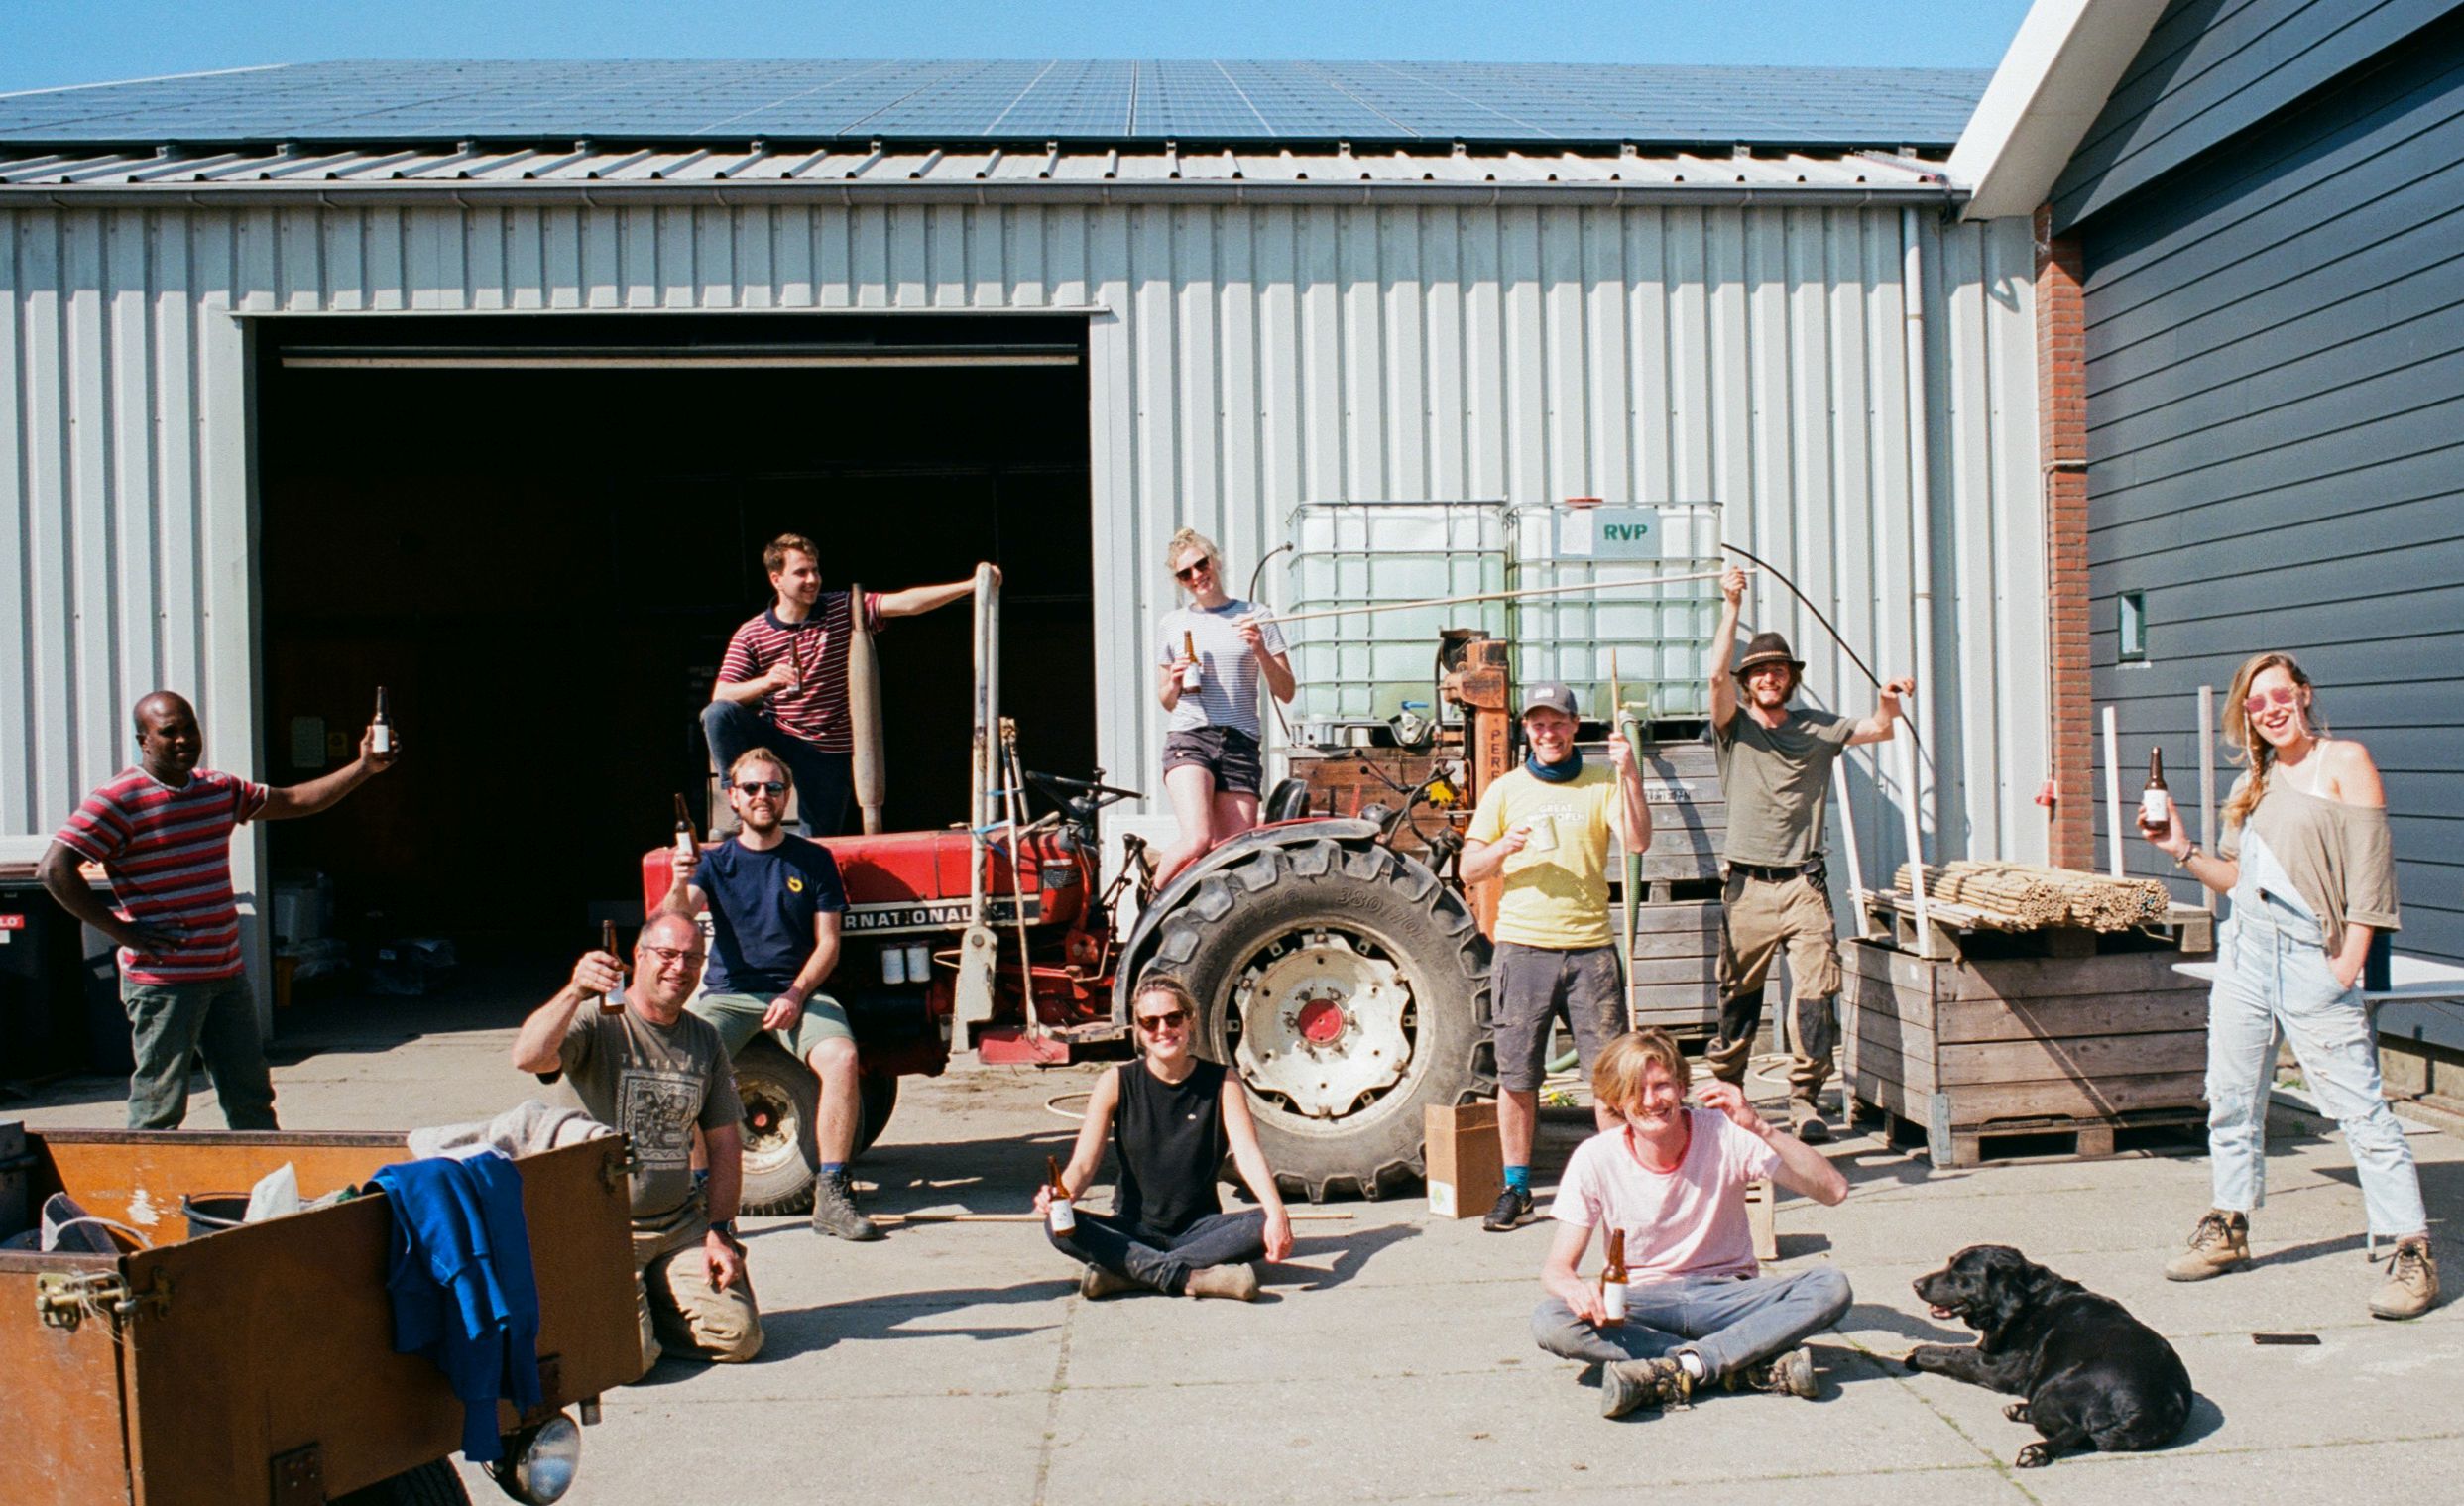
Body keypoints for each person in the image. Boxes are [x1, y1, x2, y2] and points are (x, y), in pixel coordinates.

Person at [2142, 650, 2437, 1320]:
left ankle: (2409, 1249)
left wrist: (2345, 965)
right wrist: (2182, 849)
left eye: (2280, 695)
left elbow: (2370, 875)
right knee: (2230, 1097)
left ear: (2303, 695)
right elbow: (2237, 883)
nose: (2269, 709)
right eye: (2254, 701)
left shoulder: (2344, 761)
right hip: (2244, 952)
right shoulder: (2256, 777)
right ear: (2244, 712)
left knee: (2358, 1109)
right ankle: (2228, 1223)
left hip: (2311, 956)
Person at [38, 689, 399, 1130]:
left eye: (189, 727)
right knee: (159, 1109)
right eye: (168, 732)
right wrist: (123, 932)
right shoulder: (119, 799)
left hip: (225, 975)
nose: (184, 739)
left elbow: (298, 800)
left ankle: (263, 1194)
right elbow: (54, 869)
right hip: (164, 983)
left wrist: (364, 768)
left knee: (251, 1099)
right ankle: (146, 1197)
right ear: (144, 741)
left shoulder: (218, 789)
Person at [1532, 1029, 1850, 1419]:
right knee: (1551, 1320)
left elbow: (1833, 1190)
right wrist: (1574, 1289)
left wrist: (1761, 1128)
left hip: (1727, 1294)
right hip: (1643, 1301)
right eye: (1636, 1089)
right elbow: (1556, 1269)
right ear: (1616, 1098)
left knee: (1831, 1285)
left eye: (1662, 1085)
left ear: (1682, 1085)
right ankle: (1738, 1362)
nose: (1651, 1101)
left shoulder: (1726, 1133)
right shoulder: (1595, 1157)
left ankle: (1671, 1371)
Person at [1704, 566, 1913, 1141]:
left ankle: (1804, 1100)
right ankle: (1731, 1094)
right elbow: (1716, 671)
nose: (1767, 679)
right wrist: (1731, 606)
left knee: (1817, 994)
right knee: (1738, 996)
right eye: (1758, 672)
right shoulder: (1734, 728)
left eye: (1776, 670)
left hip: (1803, 885)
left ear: (1789, 678)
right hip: (1747, 887)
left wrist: (1888, 701)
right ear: (1748, 682)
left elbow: (1879, 729)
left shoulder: (1819, 728)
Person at [510, 911, 763, 1371]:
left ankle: (653, 1297)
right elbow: (528, 1056)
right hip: (601, 1229)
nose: (679, 968)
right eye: (667, 955)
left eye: (692, 958)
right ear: (638, 957)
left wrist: (720, 1231)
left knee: (739, 1339)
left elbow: (724, 1143)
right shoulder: (596, 1019)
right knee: (633, 1361)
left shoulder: (704, 1039)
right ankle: (602, 1309)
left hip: (678, 1224)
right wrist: (573, 991)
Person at [663, 747, 879, 1241]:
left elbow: (828, 946)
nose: (764, 796)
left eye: (774, 788)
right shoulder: (715, 865)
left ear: (787, 796)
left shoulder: (814, 859)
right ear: (732, 798)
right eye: (752, 788)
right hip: (729, 995)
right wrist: (679, 881)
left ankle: (832, 1195)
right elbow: (672, 922)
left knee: (842, 1058)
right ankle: (702, 1196)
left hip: (797, 992)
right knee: (680, 1066)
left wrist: (797, 993)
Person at [1460, 681, 1652, 1232]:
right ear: (1527, 730)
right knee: (1518, 1075)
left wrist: (1632, 775)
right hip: (1522, 948)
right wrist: (1502, 848)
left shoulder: (1602, 781)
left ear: (1574, 727)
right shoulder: (1505, 790)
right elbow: (1469, 870)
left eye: (1557, 722)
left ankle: (1621, 1188)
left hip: (1591, 948)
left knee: (1609, 1079)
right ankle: (1517, 1189)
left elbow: (1638, 842)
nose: (1548, 732)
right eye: (1538, 724)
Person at [702, 532, 988, 837]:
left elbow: (906, 603)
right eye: (801, 572)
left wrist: (971, 586)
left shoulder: (842, 608)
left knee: (820, 842)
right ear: (777, 579)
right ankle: (737, 805)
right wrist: (767, 682)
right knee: (719, 714)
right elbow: (722, 695)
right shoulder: (752, 632)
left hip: (827, 748)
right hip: (780, 736)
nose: (812, 579)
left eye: (815, 571)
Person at [1036, 976, 1295, 1301]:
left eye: (1173, 1018)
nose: (1163, 1029)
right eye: (1150, 1022)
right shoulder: (1115, 1081)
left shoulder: (1222, 1082)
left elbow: (1247, 1152)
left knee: (1262, 1222)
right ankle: (1192, 1278)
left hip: (1200, 1230)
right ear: (1138, 1030)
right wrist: (1062, 1196)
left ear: (1190, 1021)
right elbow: (1084, 1164)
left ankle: (1127, 1275)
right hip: (1133, 1230)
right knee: (1057, 1225)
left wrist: (1277, 1211)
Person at [1152, 527, 1295, 889]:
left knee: (1235, 854)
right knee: (1198, 839)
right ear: (1180, 581)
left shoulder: (1256, 615)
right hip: (1191, 736)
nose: (1197, 576)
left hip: (1239, 741)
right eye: (1185, 573)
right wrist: (1175, 680)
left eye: (1201, 565)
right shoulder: (1173, 624)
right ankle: (1151, 903)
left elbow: (1287, 691)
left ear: (1215, 561)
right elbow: (1167, 700)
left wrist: (1260, 649)